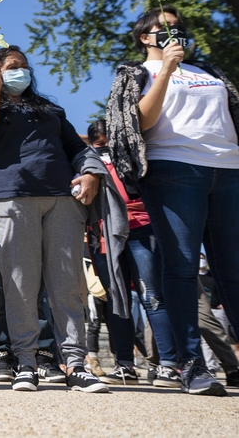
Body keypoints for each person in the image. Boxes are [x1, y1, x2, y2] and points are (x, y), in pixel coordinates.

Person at [107, 6, 239, 396]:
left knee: (232, 270)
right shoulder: (135, 74)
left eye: (178, 28)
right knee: (181, 268)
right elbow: (141, 122)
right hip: (174, 170)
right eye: (164, 28)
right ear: (145, 37)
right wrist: (165, 69)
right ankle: (191, 363)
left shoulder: (210, 72)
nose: (174, 33)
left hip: (228, 170)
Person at [0, 45, 109, 393]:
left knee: (65, 286)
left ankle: (76, 364)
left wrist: (91, 172)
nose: (23, 72)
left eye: (25, 67)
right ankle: (26, 363)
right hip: (12, 201)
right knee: (20, 286)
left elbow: (77, 149)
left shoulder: (50, 109)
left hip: (62, 200)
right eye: (13, 66)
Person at [84, 120, 182, 387]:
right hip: (104, 235)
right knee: (117, 300)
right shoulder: (87, 162)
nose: (105, 149)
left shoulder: (133, 156)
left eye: (109, 143)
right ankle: (124, 364)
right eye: (99, 145)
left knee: (152, 297)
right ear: (93, 145)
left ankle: (169, 366)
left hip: (141, 229)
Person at [0, 144, 64, 383]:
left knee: (35, 294)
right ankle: (1, 357)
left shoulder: (28, 144)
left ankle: (44, 357)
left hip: (27, 226)